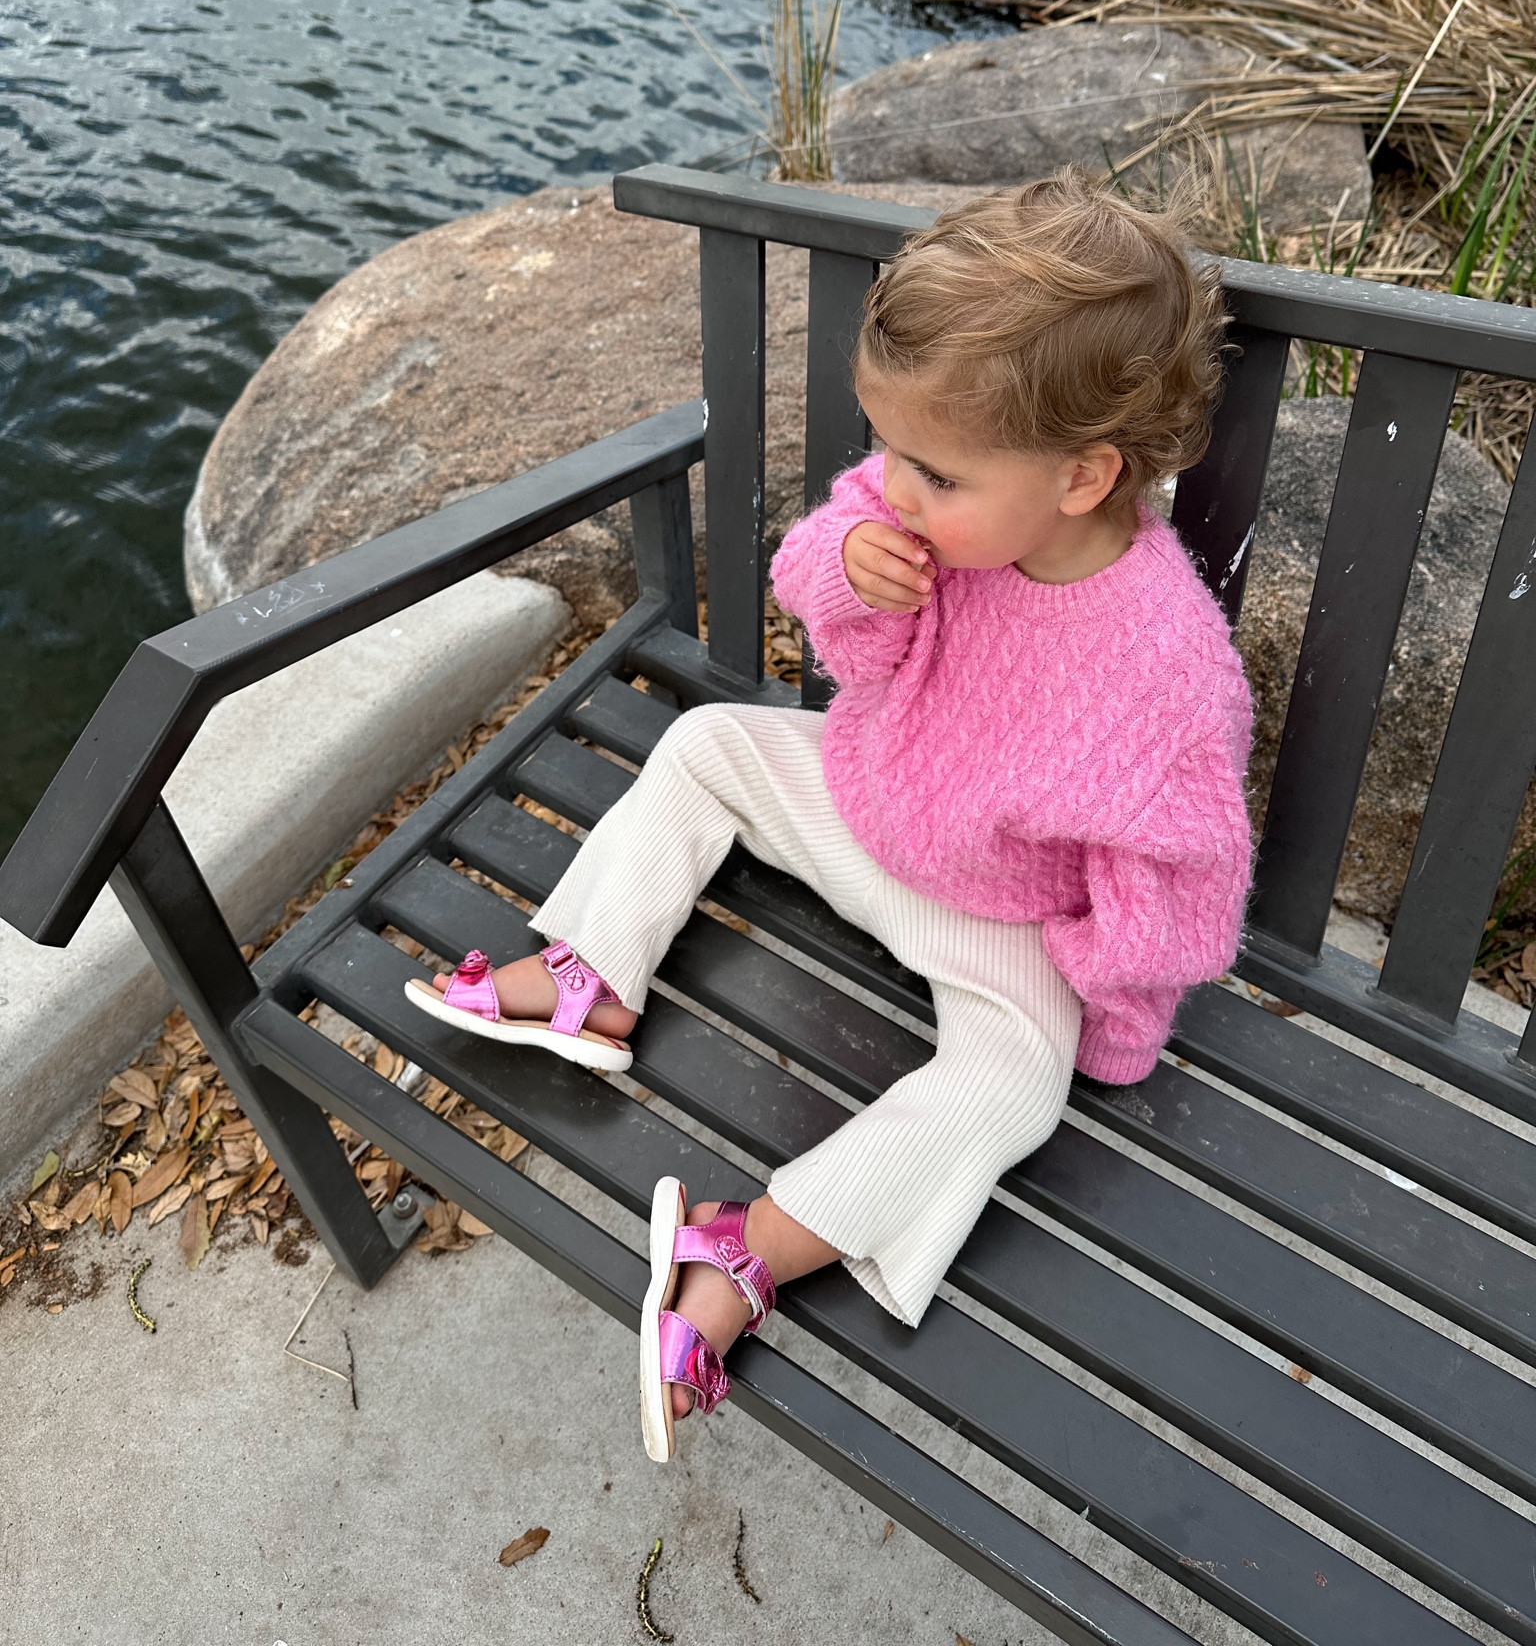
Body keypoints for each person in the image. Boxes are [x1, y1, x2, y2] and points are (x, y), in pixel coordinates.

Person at [404, 170, 1254, 1463]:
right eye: (891, 451)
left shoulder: (1166, 673)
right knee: (709, 744)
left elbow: (1175, 892)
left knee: (1015, 1083)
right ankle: (594, 975)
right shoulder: (930, 500)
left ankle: (751, 1248)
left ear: (1084, 475)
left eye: (932, 471)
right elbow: (834, 596)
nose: (894, 488)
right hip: (867, 800)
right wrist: (852, 577)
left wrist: (1107, 1013)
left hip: (1002, 907)